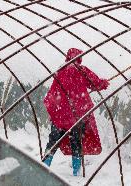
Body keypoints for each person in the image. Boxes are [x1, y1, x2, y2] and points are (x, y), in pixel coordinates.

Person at [43, 48, 109, 176]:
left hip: (59, 116)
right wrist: (104, 83)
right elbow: (95, 83)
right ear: (79, 57)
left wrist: (55, 112)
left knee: (53, 142)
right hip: (76, 116)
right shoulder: (81, 70)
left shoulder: (60, 71)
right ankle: (76, 172)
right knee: (76, 143)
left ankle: (44, 165)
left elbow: (52, 93)